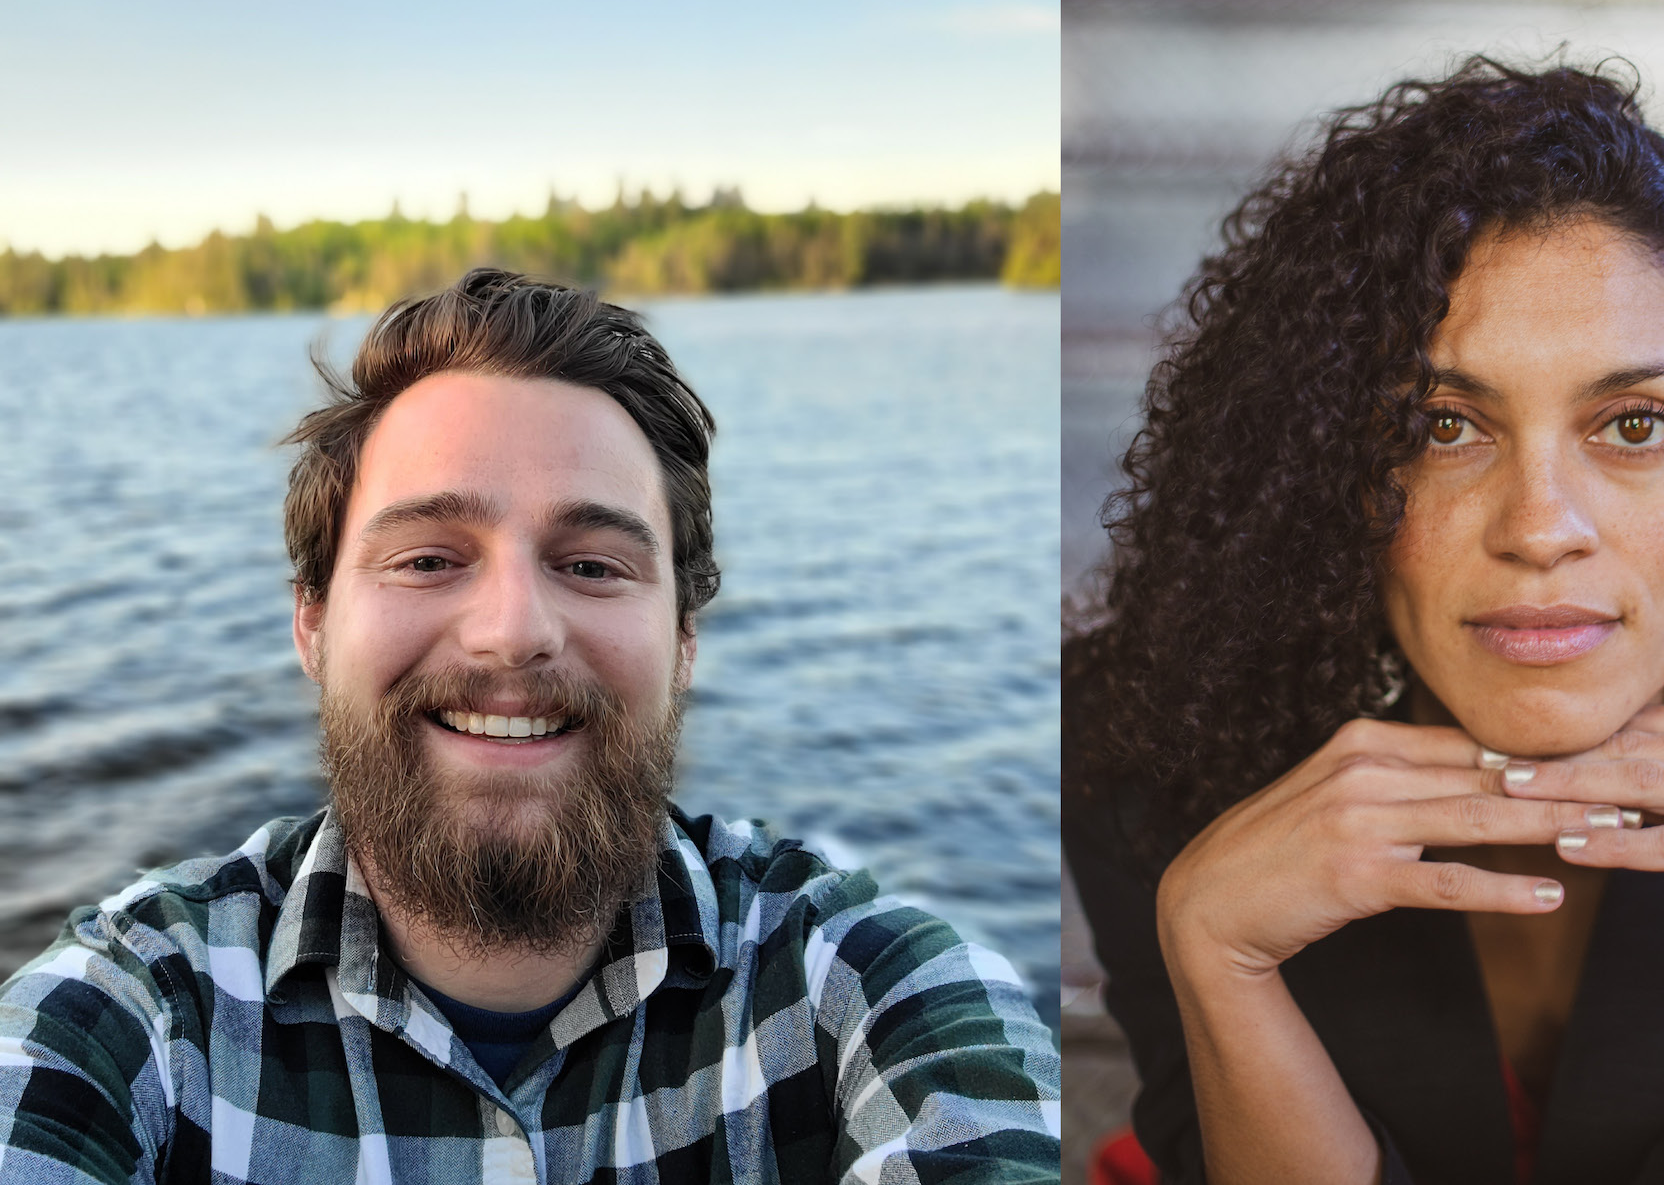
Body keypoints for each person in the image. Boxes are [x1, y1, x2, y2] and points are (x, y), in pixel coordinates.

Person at [1063, 59, 1664, 1185]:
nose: (1539, 528)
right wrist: (1214, 959)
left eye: (1635, 425)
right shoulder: (1144, 728)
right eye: (1442, 426)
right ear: (1338, 461)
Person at [0, 268, 1060, 1184]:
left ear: (684, 641)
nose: (513, 633)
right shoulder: (132, 1017)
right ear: (313, 624)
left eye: (591, 565)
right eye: (427, 558)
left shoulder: (861, 986)